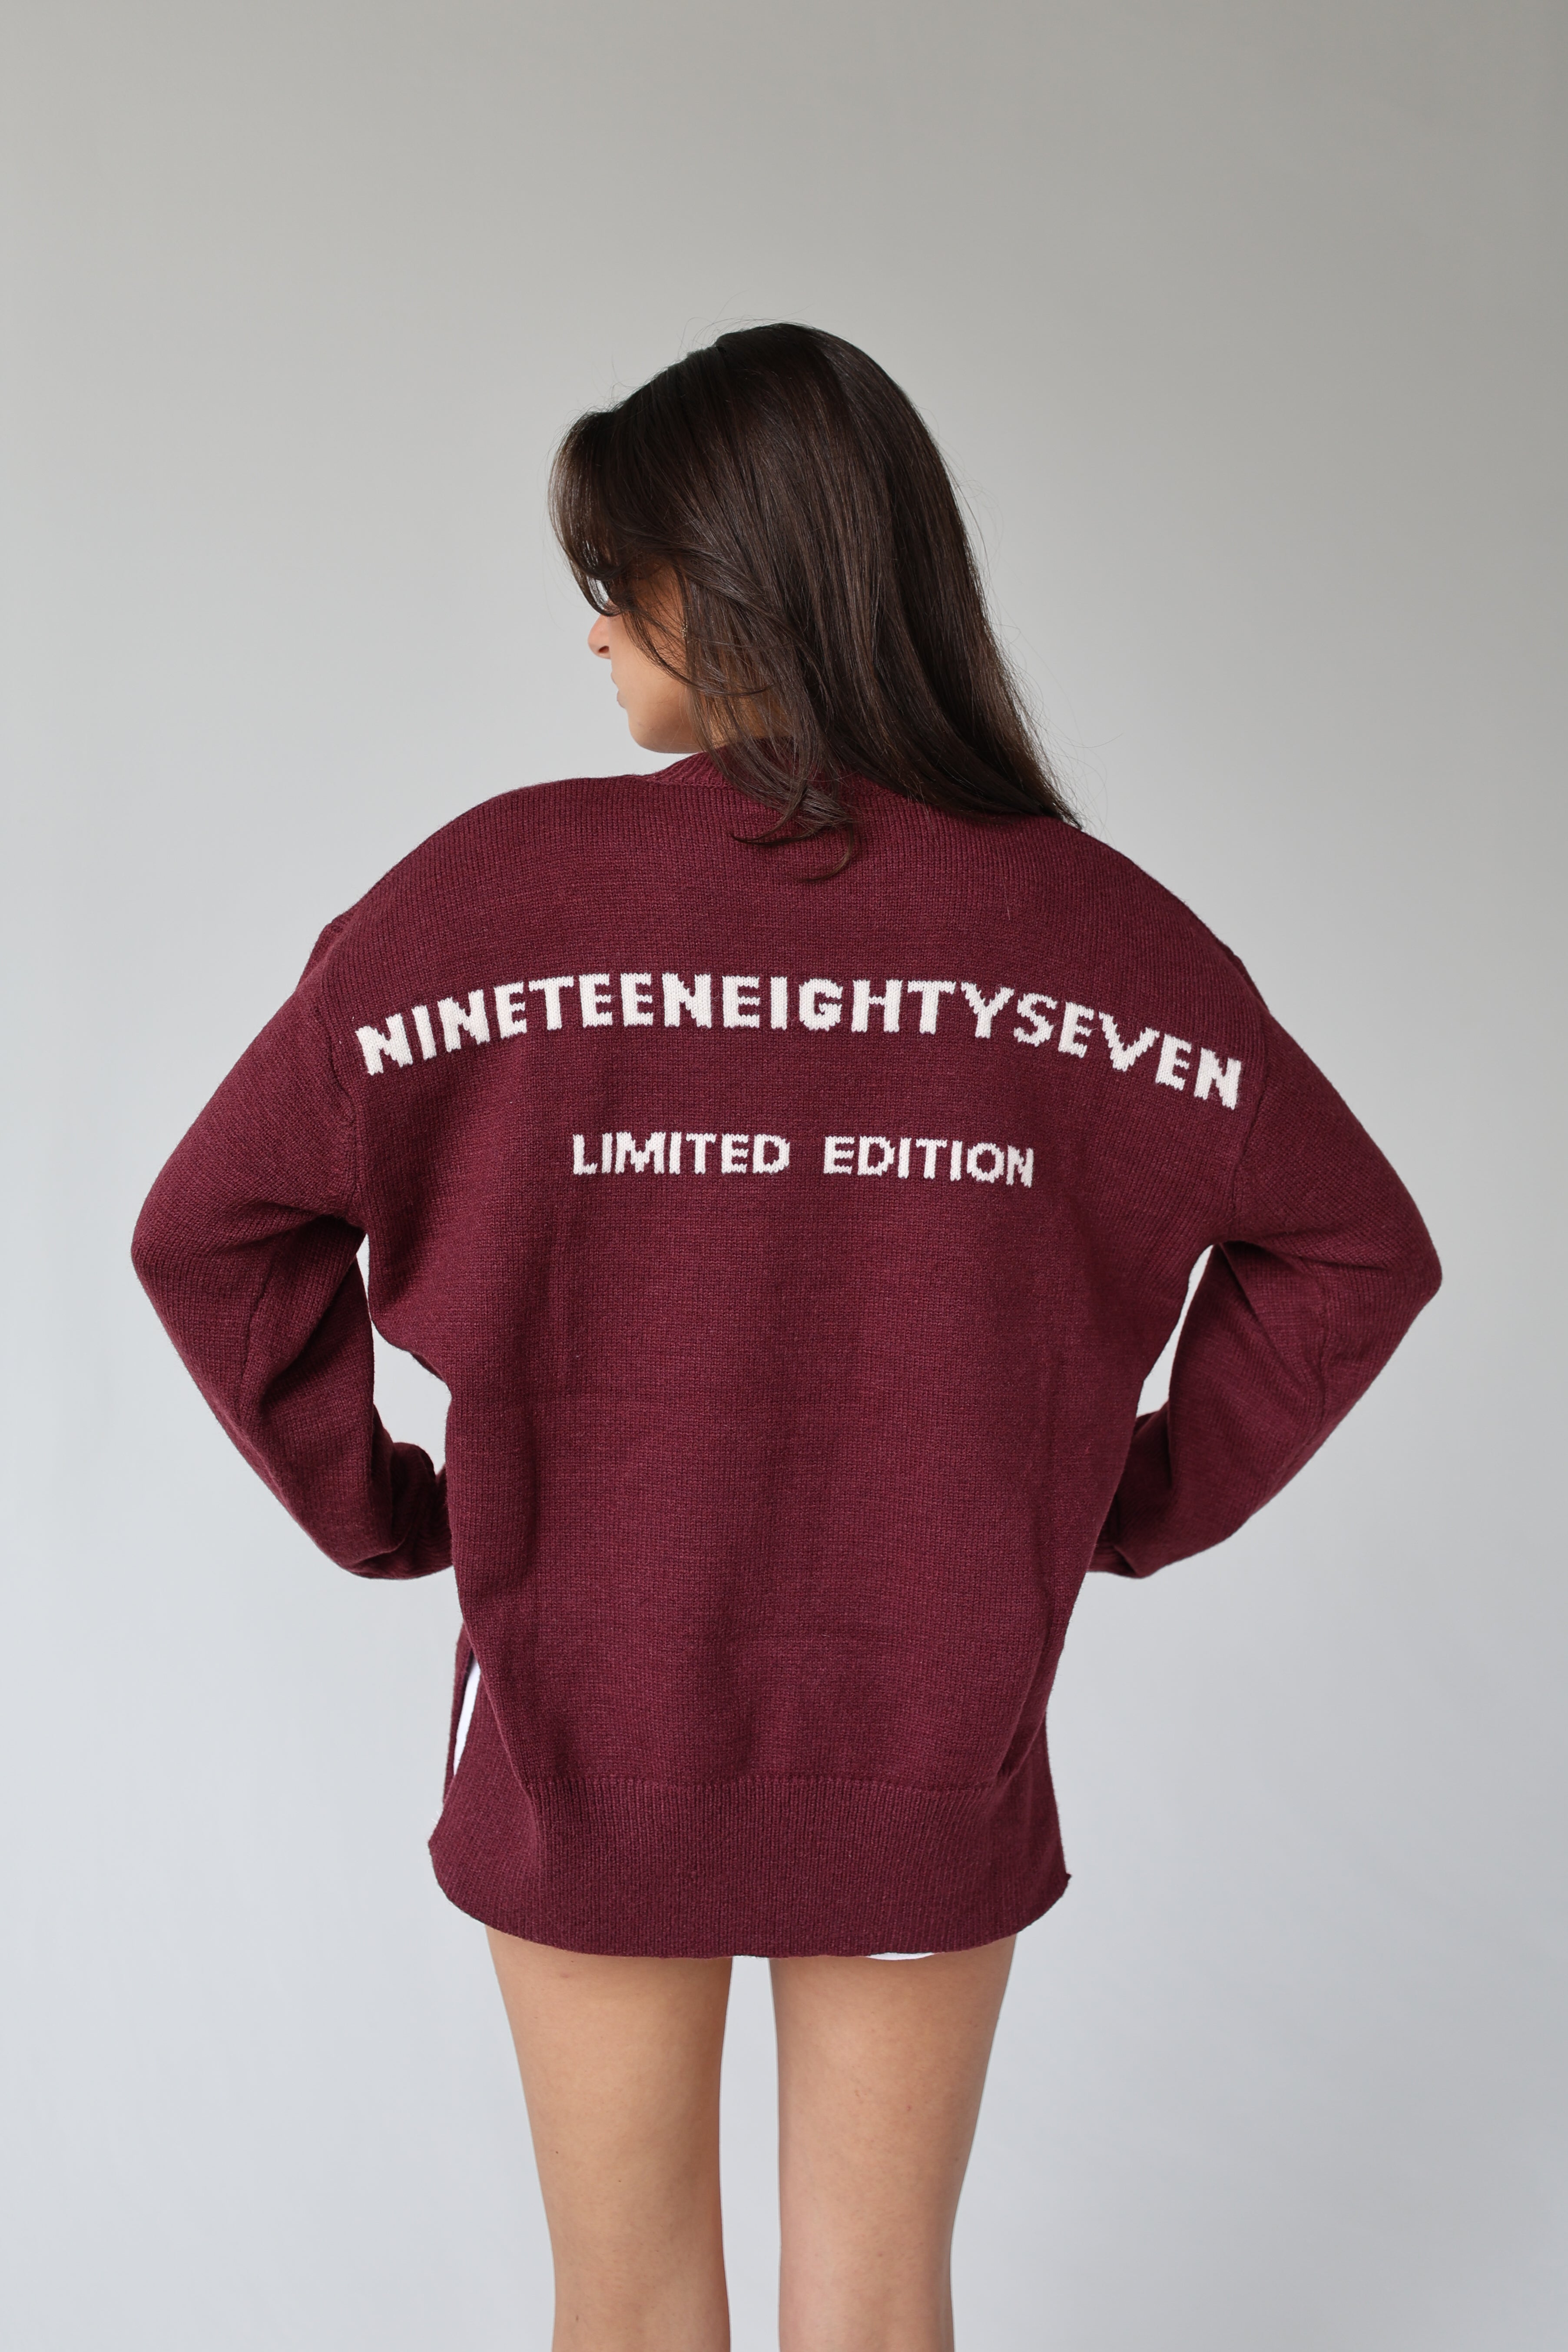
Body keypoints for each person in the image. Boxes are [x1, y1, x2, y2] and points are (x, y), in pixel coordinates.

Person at [132, 323, 1440, 2352]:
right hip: (932, 1717)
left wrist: (395, 1509)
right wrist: (1113, 1501)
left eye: (616, 575)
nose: (594, 630)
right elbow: (1358, 1251)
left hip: (583, 1718)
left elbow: (207, 1232)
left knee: (628, 2310)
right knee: (879, 2315)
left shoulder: (480, 906)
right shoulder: (1105, 938)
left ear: (732, 575)